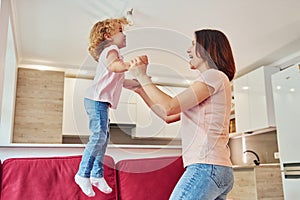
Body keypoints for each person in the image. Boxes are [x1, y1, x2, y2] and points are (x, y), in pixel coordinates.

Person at [127, 29, 236, 200]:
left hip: (206, 166)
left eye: (194, 44)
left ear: (208, 48)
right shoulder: (211, 81)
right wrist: (141, 90)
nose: (188, 50)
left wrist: (142, 76)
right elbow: (167, 115)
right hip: (216, 169)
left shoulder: (213, 75)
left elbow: (170, 106)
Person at [74, 17, 141, 197]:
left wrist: (133, 84)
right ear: (108, 36)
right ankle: (82, 174)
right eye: (120, 30)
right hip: (96, 100)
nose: (124, 34)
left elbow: (117, 80)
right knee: (99, 136)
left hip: (99, 101)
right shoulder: (111, 51)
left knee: (103, 137)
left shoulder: (114, 56)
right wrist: (130, 65)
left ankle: (96, 174)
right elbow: (115, 67)